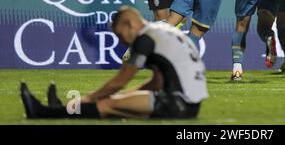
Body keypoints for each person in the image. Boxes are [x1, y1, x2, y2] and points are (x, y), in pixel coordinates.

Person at [20, 6, 208, 119]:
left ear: (130, 25)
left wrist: (90, 97)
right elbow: (158, 82)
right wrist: (127, 96)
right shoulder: (160, 30)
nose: (121, 41)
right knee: (114, 105)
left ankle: (44, 112)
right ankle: (61, 109)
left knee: (106, 105)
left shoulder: (145, 39)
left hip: (177, 104)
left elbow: (119, 81)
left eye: (119, 35)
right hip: (190, 104)